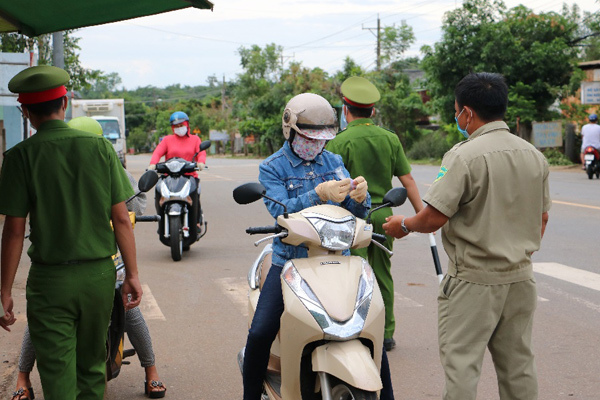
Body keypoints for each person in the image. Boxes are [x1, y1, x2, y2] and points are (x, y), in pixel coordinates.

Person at [382, 72, 551, 400]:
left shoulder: (463, 156)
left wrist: (402, 225)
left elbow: (432, 217)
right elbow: (541, 219)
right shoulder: (534, 156)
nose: (457, 117)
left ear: (468, 113)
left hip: (473, 281)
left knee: (462, 366)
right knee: (519, 367)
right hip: (520, 279)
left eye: (457, 111)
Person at [0, 65, 143, 400]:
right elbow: (122, 219)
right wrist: (133, 274)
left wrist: (4, 289)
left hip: (51, 282)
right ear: (64, 103)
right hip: (98, 277)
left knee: (56, 372)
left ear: (26, 112)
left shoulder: (20, 157)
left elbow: (14, 231)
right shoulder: (101, 148)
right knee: (93, 366)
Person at [242, 92, 394, 400]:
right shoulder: (272, 168)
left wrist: (360, 199)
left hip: (339, 261)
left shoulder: (334, 161)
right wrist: (319, 193)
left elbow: (355, 214)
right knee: (260, 333)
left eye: (322, 138)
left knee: (367, 329)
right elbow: (280, 211)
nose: (316, 144)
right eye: (309, 137)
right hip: (290, 262)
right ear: (291, 129)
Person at [326, 76, 424, 352]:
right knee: (382, 272)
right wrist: (422, 217)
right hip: (384, 217)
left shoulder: (339, 143)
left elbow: (331, 187)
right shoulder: (390, 139)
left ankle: (357, 328)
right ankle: (387, 331)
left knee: (354, 273)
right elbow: (409, 182)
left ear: (346, 110)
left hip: (350, 219)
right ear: (372, 111)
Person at [148, 111, 207, 230]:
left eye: (181, 125)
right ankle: (161, 221)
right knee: (159, 191)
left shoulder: (195, 139)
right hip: (169, 176)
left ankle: (196, 222)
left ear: (187, 125)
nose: (179, 128)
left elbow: (201, 152)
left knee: (194, 193)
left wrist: (201, 162)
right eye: (176, 126)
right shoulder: (167, 140)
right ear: (172, 128)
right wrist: (153, 164)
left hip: (189, 175)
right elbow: (158, 152)